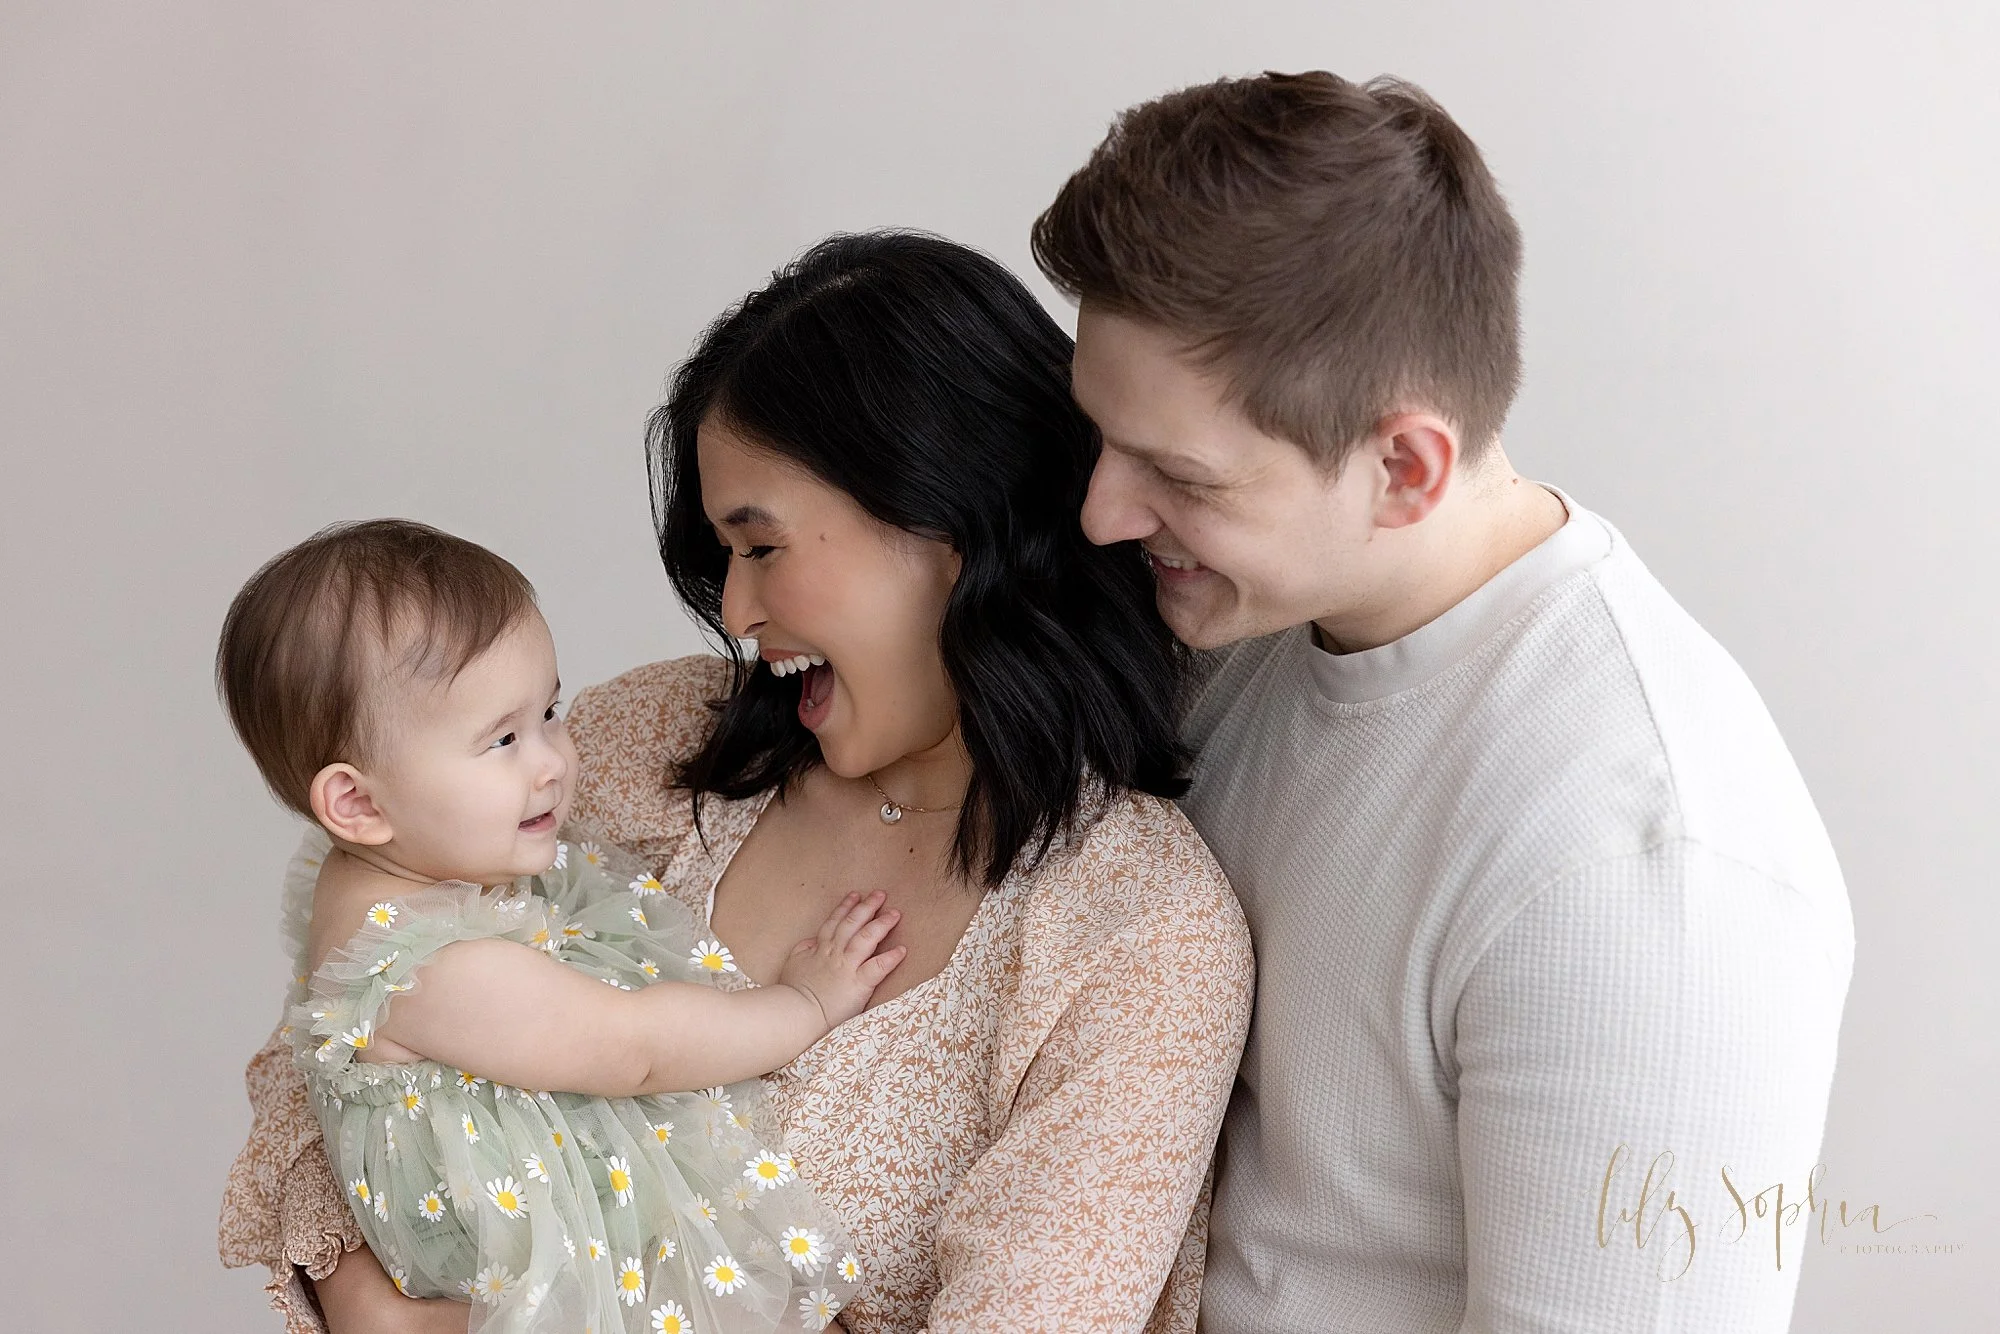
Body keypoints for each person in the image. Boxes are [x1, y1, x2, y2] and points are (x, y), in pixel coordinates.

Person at [218, 231, 1255, 1334]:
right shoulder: (647, 743)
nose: (739, 613)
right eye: (723, 557)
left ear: (949, 522)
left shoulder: (1136, 929)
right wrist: (385, 1310)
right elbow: (335, 1040)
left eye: (760, 549)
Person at [1031, 71, 1856, 1332]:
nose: (1101, 513)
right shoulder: (1240, 625)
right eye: (1101, 438)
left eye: (1178, 475)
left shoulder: (1642, 869)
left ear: (1404, 468)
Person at [215, 518, 897, 1331]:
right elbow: (634, 1048)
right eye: (502, 739)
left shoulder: (380, 871)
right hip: (544, 1290)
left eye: (550, 711)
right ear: (357, 803)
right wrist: (804, 1005)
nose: (554, 761)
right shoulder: (437, 968)